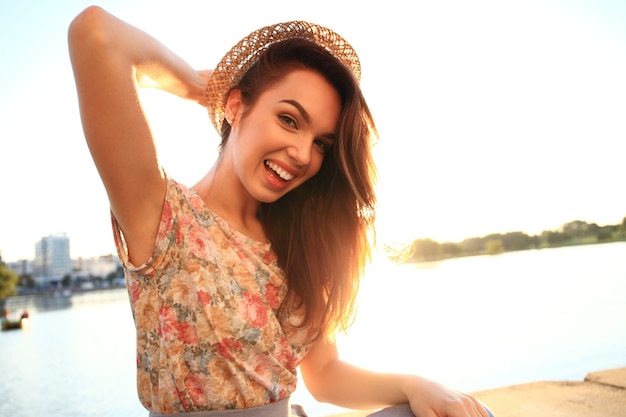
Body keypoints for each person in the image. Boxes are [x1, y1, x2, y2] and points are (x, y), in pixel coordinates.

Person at [68, 6, 494, 417]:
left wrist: (415, 385)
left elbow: (325, 376)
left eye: (321, 143)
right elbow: (96, 33)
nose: (302, 154)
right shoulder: (163, 216)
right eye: (289, 120)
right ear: (237, 107)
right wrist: (204, 89)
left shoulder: (299, 241)